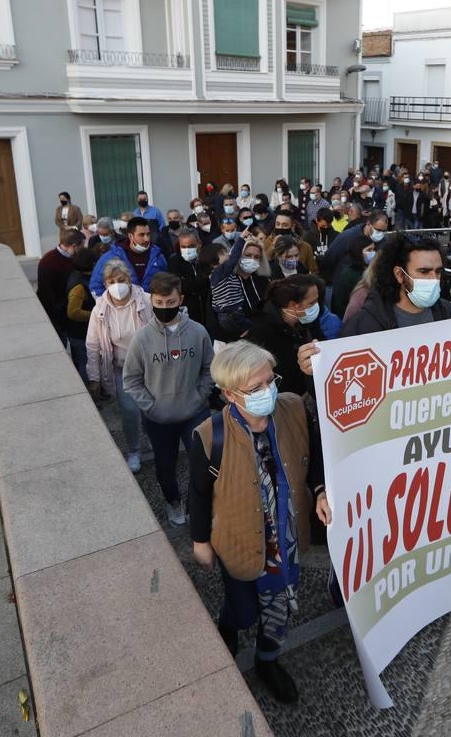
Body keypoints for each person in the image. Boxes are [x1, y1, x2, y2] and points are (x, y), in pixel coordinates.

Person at [189, 341, 330, 704]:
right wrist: (200, 541)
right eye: (256, 388)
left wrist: (318, 490)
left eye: (271, 381)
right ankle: (230, 623)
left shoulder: (294, 409)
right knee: (244, 609)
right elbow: (200, 495)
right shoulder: (209, 435)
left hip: (286, 543)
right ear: (230, 394)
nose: (268, 392)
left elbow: (315, 455)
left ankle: (268, 660)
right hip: (237, 541)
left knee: (278, 609)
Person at [123, 273, 215, 526]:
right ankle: (173, 501)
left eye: (170, 302)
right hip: (158, 418)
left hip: (194, 412)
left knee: (204, 464)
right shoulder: (141, 339)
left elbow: (210, 368)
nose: (165, 308)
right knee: (165, 467)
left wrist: (200, 396)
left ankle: (204, 506)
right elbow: (131, 380)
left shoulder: (198, 332)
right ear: (152, 301)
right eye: (159, 303)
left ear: (180, 299)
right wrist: (152, 407)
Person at [338, 232, 451, 337]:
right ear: (399, 275)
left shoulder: (448, 314)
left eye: (438, 271)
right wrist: (312, 370)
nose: (434, 279)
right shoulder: (365, 324)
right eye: (424, 272)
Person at [85, 258, 153, 471]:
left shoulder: (146, 301)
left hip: (149, 368)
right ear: (104, 284)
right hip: (121, 369)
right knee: (130, 411)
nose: (116, 285)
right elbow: (93, 345)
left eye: (120, 279)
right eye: (110, 281)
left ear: (129, 279)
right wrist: (94, 378)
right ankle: (133, 450)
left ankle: (155, 441)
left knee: (152, 409)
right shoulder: (100, 310)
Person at [246, 274, 326, 398]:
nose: (317, 306)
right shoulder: (262, 332)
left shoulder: (307, 320)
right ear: (294, 305)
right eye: (312, 303)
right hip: (285, 399)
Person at [90, 216, 169, 297]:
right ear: (130, 236)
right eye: (141, 235)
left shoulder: (158, 256)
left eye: (148, 234)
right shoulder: (110, 257)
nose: (147, 239)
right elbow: (96, 287)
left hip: (151, 307)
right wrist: (111, 305)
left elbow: (166, 283)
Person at [210, 234, 269, 341]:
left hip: (263, 336)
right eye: (247, 255)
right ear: (238, 256)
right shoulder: (225, 281)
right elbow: (215, 318)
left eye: (256, 257)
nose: (252, 260)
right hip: (235, 341)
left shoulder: (263, 281)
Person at [36, 229, 84, 343]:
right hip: (57, 315)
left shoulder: (74, 258)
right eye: (81, 247)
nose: (82, 250)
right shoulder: (48, 262)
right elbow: (46, 294)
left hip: (72, 312)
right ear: (73, 246)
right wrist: (60, 314)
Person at [317, 205, 384, 280]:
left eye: (384, 231)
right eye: (378, 230)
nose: (381, 234)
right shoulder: (348, 236)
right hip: (344, 281)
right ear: (368, 224)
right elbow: (330, 257)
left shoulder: (383, 240)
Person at [64, 247, 98, 387]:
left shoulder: (78, 276)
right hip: (80, 333)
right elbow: (73, 312)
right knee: (85, 365)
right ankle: (89, 393)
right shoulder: (79, 286)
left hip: (82, 332)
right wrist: (95, 315)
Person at [166, 228, 210, 327]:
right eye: (183, 247)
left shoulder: (205, 259)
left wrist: (189, 283)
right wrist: (202, 282)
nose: (187, 249)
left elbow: (210, 283)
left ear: (199, 244)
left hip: (207, 311)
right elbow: (178, 285)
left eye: (191, 246)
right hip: (188, 313)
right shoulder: (174, 261)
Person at [330, 234, 373, 319]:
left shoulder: (371, 269)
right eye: (369, 250)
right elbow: (341, 304)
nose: (373, 253)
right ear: (358, 252)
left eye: (374, 249)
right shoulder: (349, 275)